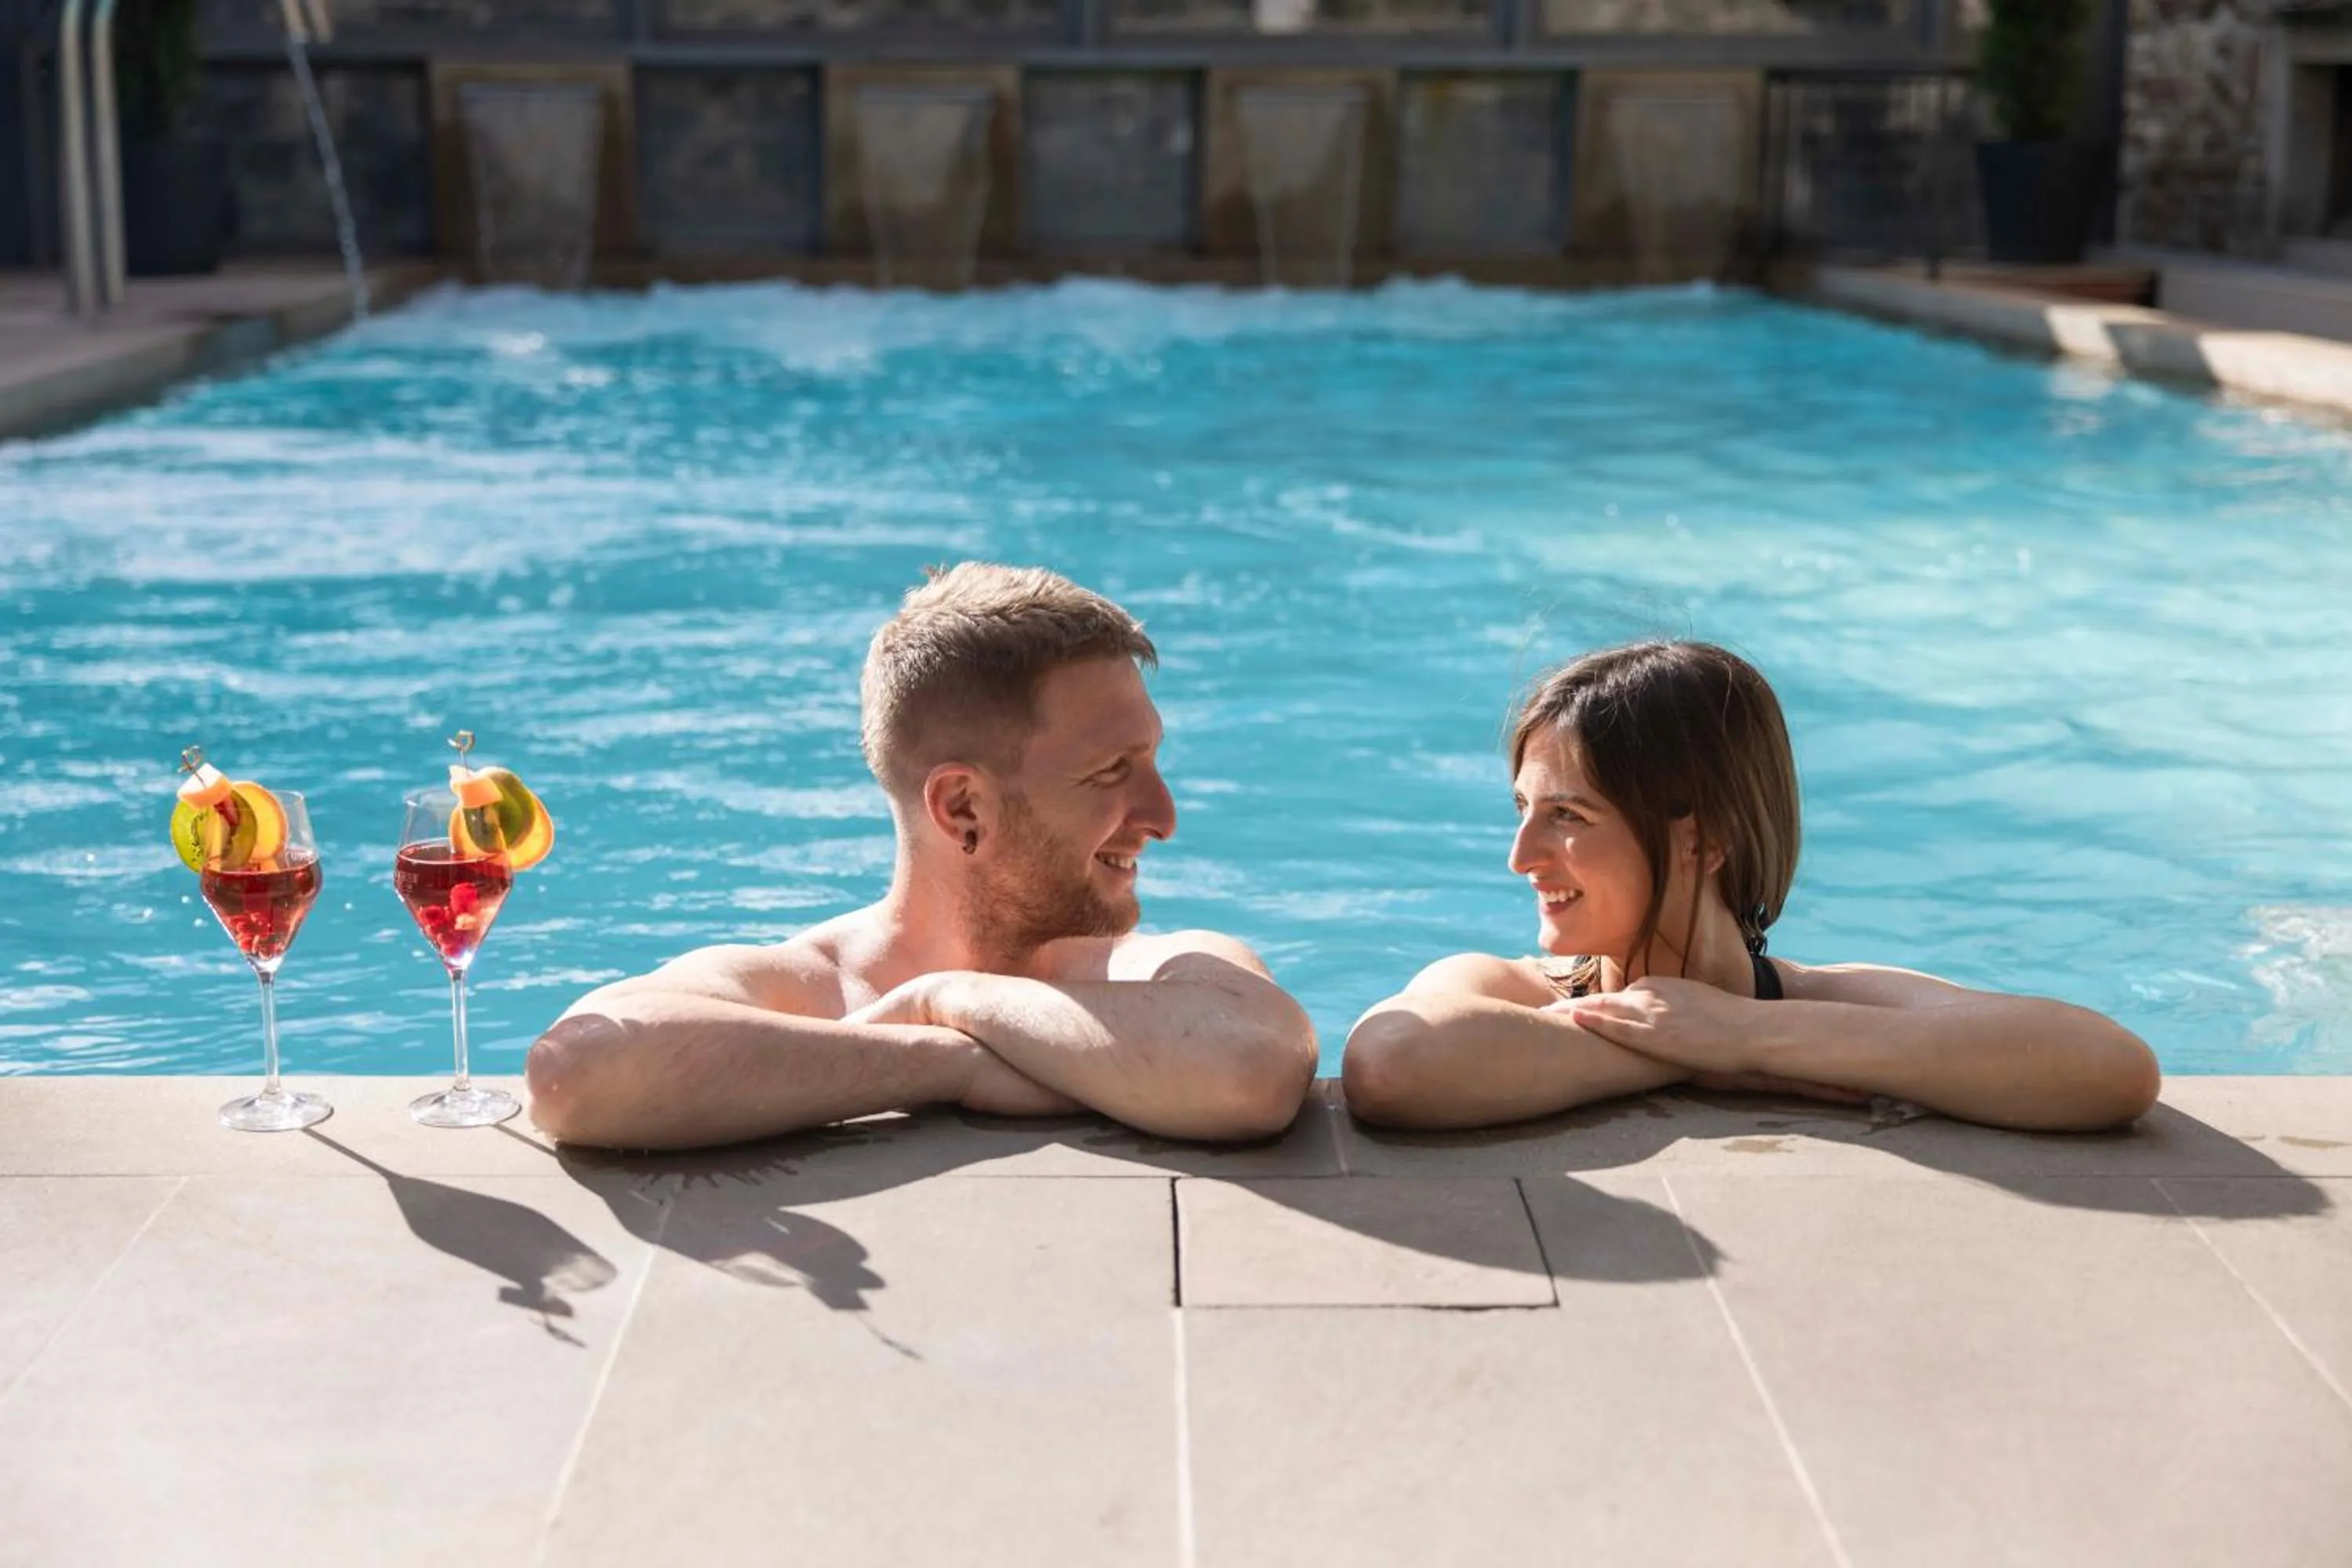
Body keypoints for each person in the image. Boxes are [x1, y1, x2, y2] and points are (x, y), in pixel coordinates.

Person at [526, 563, 1317, 1150]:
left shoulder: (1158, 968)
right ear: (963, 807)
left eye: (1150, 762)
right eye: (1111, 772)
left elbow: (1253, 1067)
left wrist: (947, 994)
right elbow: (577, 1069)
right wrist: (949, 1061)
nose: (1164, 817)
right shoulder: (809, 984)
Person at [1341, 640, 2161, 1133]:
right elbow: (1393, 1061)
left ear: (1703, 838)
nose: (1522, 856)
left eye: (1568, 815)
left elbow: (2111, 1067)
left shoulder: (1818, 997)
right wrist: (1689, 1047)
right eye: (1524, 809)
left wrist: (1745, 1034)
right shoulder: (1505, 988)